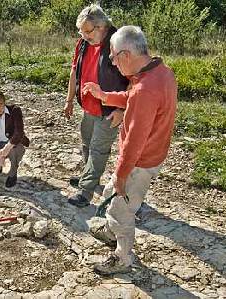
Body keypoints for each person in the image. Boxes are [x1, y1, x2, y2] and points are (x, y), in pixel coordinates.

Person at [82, 25, 177, 275]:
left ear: (126, 55)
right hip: (150, 156)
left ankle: (122, 257)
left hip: (139, 162)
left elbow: (135, 140)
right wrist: (104, 95)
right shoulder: (160, 72)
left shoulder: (146, 89)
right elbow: (132, 97)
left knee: (120, 209)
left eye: (113, 56)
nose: (112, 63)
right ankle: (111, 230)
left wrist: (122, 175)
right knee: (111, 193)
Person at [63, 4, 129, 208]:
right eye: (81, 32)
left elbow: (134, 81)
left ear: (102, 26)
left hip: (110, 110)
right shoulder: (83, 43)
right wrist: (69, 100)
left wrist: (121, 110)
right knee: (87, 144)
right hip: (88, 108)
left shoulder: (119, 43)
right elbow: (75, 71)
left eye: (88, 31)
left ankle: (86, 191)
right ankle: (87, 176)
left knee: (98, 150)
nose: (84, 36)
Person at [0, 87, 30, 188]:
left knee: (14, 150)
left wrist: (7, 148)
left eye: (1, 104)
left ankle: (13, 174)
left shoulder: (14, 111)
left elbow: (19, 133)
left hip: (13, 143)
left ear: (4, 102)